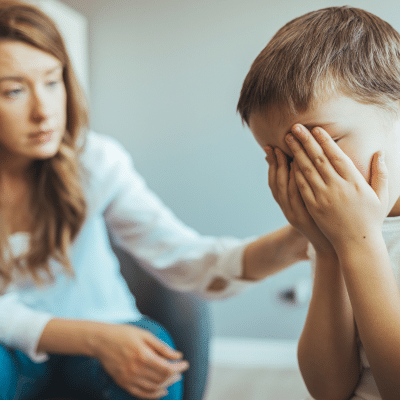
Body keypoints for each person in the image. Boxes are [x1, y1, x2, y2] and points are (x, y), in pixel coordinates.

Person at [0, 1, 309, 400]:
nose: (44, 112)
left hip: (109, 324)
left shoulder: (94, 161)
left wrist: (293, 242)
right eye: (14, 91)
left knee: (150, 359)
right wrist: (94, 338)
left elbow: (185, 260)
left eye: (52, 81)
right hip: (20, 349)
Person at [237, 5, 400, 400]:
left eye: (320, 145)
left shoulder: (353, 232)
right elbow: (329, 389)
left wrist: (357, 243)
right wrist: (327, 251)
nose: (306, 174)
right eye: (281, 158)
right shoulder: (336, 232)